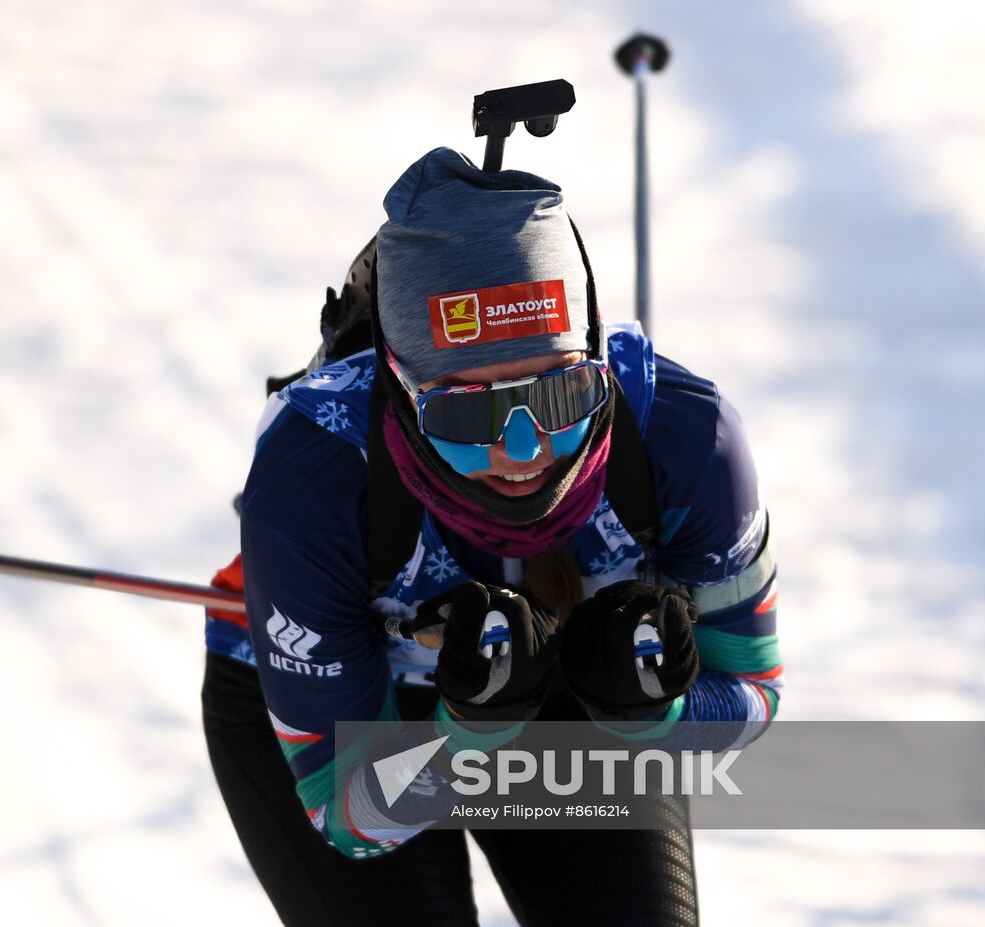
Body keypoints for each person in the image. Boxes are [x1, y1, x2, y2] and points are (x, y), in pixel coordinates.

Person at [201, 148, 780, 926]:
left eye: (561, 392)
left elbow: (753, 701)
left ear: (596, 358)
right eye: (467, 413)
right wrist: (468, 731)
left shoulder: (687, 440)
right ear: (401, 390)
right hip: (347, 713)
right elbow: (349, 814)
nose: (523, 445)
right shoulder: (314, 480)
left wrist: (651, 711)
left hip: (569, 693)